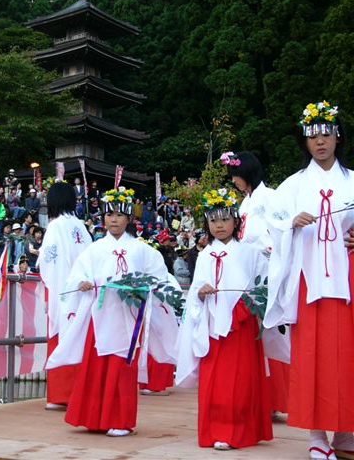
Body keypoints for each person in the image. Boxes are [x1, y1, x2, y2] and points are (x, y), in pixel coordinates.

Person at [46, 186, 179, 436]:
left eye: (119, 215)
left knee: (122, 368)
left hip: (127, 319)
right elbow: (76, 277)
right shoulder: (94, 249)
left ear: (128, 218)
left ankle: (120, 419)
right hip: (100, 316)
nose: (113, 219)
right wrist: (82, 284)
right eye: (109, 215)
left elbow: (161, 279)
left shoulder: (142, 250)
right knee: (96, 367)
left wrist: (144, 288)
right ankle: (93, 418)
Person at [264, 101, 354, 460]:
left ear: (337, 137)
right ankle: (317, 436)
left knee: (348, 356)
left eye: (326, 134)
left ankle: (346, 433)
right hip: (308, 279)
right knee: (312, 355)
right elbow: (275, 220)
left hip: (347, 278)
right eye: (313, 136)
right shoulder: (293, 185)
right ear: (305, 142)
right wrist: (291, 224)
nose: (320, 142)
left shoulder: (352, 181)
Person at [176, 188, 272, 450]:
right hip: (211, 325)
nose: (219, 225)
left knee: (239, 382)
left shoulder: (251, 253)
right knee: (214, 383)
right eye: (213, 220)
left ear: (236, 221)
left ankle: (238, 431)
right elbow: (195, 289)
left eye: (225, 219)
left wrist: (248, 304)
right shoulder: (205, 254)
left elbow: (263, 286)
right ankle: (214, 430)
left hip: (241, 324)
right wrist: (201, 293)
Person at [225, 149, 290, 414]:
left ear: (246, 173)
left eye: (235, 176)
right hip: (248, 273)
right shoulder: (244, 204)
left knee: (272, 334)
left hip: (268, 270)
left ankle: (277, 400)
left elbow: (282, 233)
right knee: (256, 335)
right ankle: (261, 398)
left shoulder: (272, 197)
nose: (233, 181)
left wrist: (270, 250)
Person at [38, 182, 91, 410]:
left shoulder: (55, 226)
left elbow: (49, 263)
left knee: (59, 335)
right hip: (82, 289)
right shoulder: (81, 226)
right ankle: (79, 394)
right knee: (79, 336)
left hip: (61, 287)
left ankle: (60, 394)